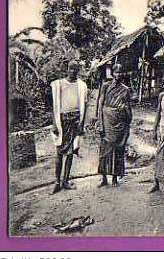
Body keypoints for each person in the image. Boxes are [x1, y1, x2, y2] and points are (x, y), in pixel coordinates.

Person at [50, 60, 88, 194]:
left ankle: (65, 180)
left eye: (76, 69)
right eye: (71, 68)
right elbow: (54, 106)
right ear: (67, 69)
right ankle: (57, 182)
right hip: (62, 122)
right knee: (59, 152)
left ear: (78, 70)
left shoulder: (82, 85)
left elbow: (85, 105)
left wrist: (81, 125)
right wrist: (55, 123)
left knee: (71, 152)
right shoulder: (58, 84)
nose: (73, 71)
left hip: (75, 121)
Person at [97, 63, 132, 187]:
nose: (118, 75)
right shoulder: (105, 86)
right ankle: (104, 178)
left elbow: (129, 109)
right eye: (116, 72)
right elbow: (100, 105)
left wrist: (125, 110)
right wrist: (100, 123)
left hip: (119, 122)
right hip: (107, 120)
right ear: (112, 73)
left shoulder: (126, 90)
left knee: (118, 150)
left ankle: (115, 178)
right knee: (105, 149)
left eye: (121, 72)